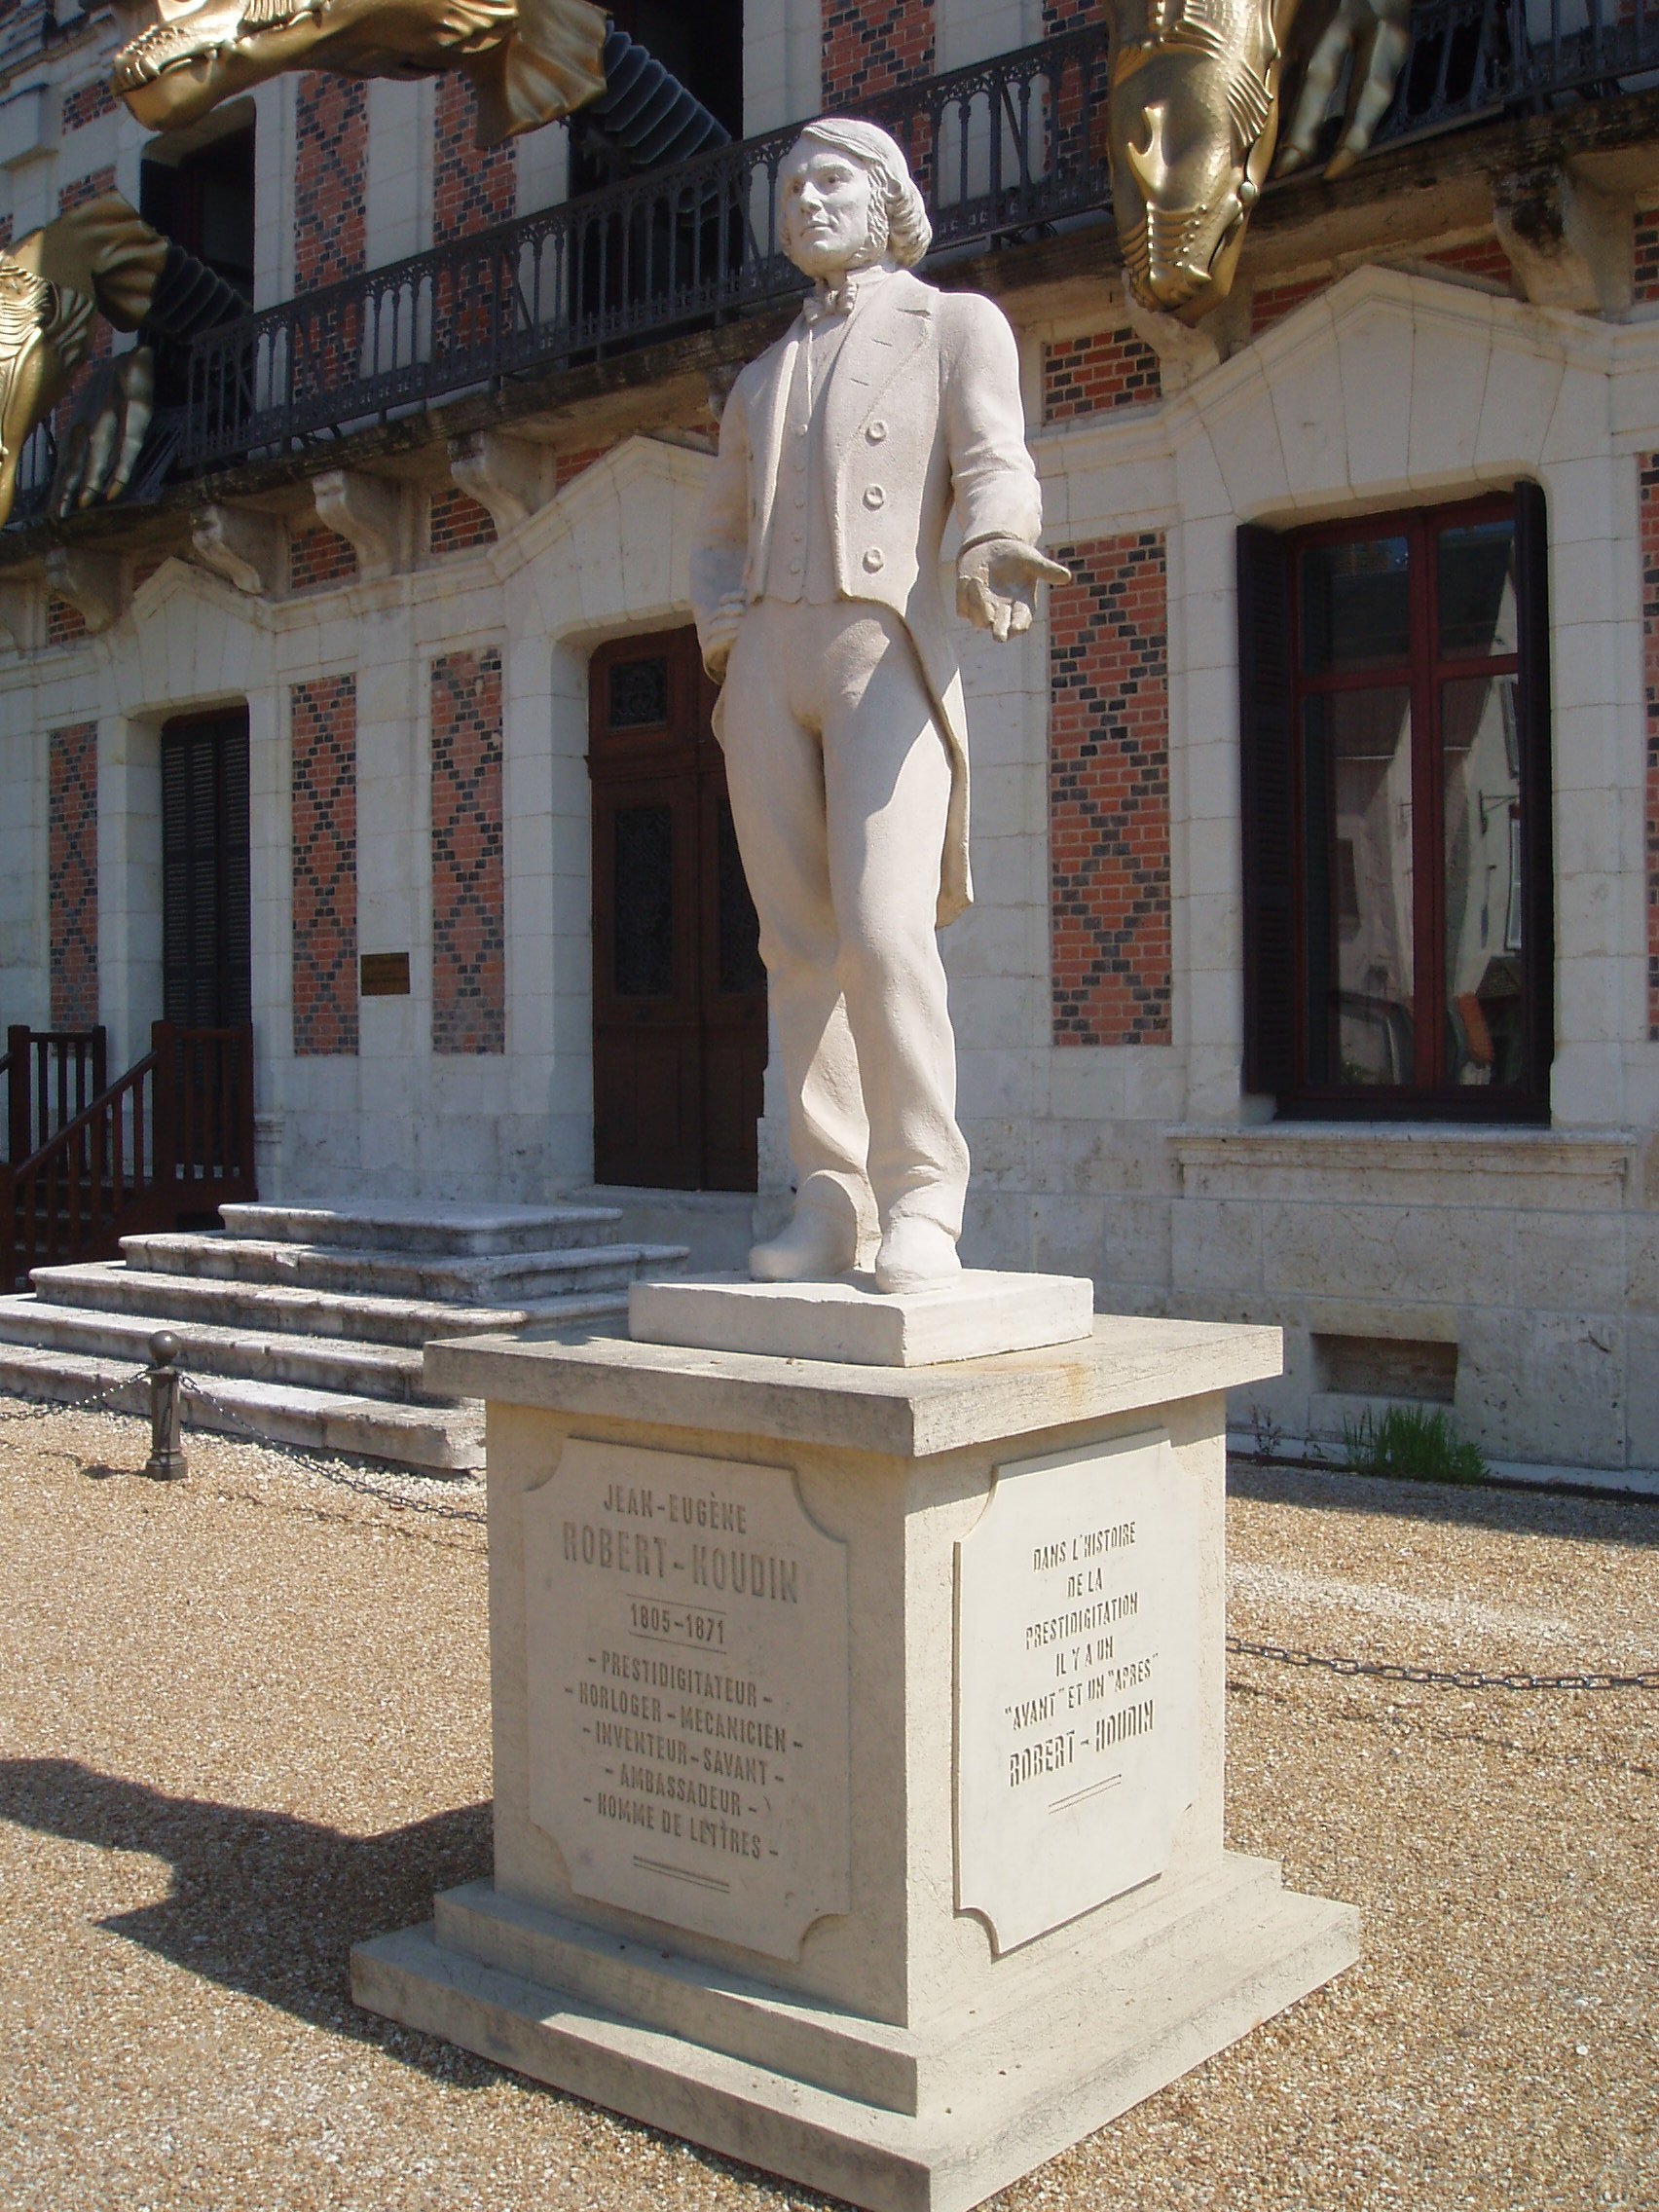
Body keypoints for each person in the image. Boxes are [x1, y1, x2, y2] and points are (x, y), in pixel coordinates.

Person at [690, 118, 1066, 1295]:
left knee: (887, 929)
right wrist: (729, 641)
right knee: (795, 948)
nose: (805, 196)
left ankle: (922, 1201)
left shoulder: (955, 325)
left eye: (831, 177)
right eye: (791, 183)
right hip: (769, 665)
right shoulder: (757, 381)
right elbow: (713, 538)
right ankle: (828, 1197)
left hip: (881, 647)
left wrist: (997, 538)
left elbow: (997, 457)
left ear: (887, 195)